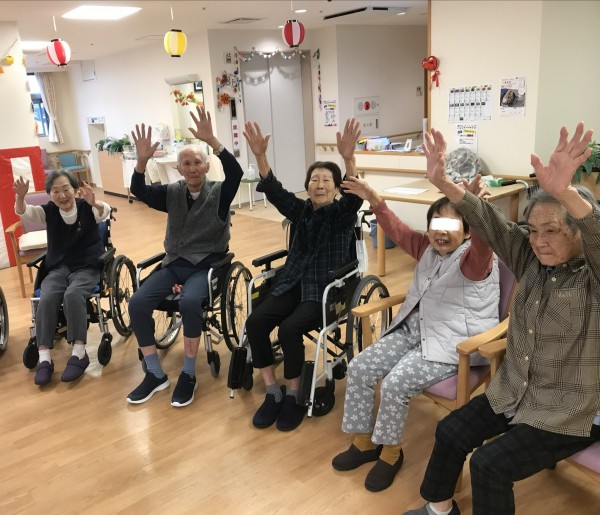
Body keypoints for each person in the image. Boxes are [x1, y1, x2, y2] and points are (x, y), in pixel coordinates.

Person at [403, 123, 600, 515]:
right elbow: (490, 222)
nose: (539, 240)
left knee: (489, 465)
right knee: (450, 430)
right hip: (517, 389)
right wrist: (443, 183)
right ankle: (439, 510)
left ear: (578, 232)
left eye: (552, 230)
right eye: (533, 230)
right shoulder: (531, 259)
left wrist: (566, 192)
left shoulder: (592, 274)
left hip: (571, 408)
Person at [331, 176, 499, 492]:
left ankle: (391, 454)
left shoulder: (475, 260)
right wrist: (374, 199)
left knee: (395, 384)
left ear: (466, 231)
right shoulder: (427, 249)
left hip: (451, 343)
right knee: (360, 368)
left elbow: (483, 243)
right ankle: (364, 442)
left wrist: (476, 209)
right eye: (435, 225)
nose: (441, 232)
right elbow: (397, 230)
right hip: (414, 330)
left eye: (451, 225)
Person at [242, 118, 362, 432]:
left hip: (323, 290)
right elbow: (274, 190)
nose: (319, 185)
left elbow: (355, 196)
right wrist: (260, 156)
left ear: (337, 187)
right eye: (314, 180)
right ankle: (272, 391)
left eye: (326, 180)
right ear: (307, 186)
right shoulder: (301, 211)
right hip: (292, 282)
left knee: (289, 329)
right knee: (255, 321)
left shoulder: (341, 215)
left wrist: (349, 158)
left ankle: (295, 394)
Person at [126, 106, 243, 407]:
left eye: (198, 162)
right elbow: (138, 189)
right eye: (186, 164)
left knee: (190, 302)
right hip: (174, 264)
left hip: (207, 266)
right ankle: (155, 373)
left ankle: (189, 373)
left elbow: (236, 173)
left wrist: (213, 141)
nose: (192, 168)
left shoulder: (219, 193)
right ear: (179, 169)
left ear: (206, 166)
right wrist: (141, 161)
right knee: (137, 302)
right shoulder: (172, 193)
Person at [13, 171, 111, 385]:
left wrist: (95, 203)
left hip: (86, 267)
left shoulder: (87, 207)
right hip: (58, 268)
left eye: (66, 189)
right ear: (50, 194)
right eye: (56, 191)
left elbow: (104, 212)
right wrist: (20, 197)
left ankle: (79, 353)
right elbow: (23, 211)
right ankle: (44, 357)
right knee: (47, 297)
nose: (62, 195)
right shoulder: (48, 211)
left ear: (75, 189)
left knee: (73, 294)